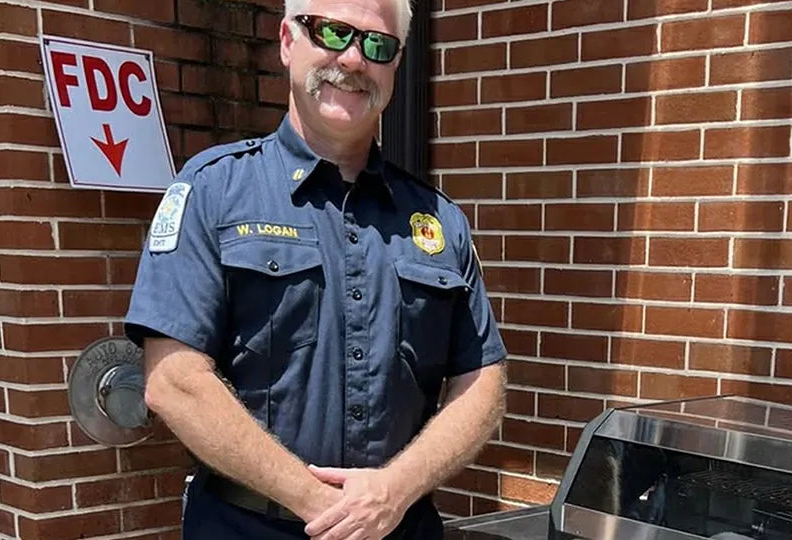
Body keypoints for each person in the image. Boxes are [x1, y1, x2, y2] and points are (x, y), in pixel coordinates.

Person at [122, 0, 508, 538]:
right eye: (331, 32)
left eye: (378, 45)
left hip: (400, 527)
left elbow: (483, 382)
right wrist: (323, 506)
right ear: (287, 41)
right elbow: (173, 380)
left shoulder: (437, 220)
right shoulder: (214, 191)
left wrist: (394, 491)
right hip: (247, 526)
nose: (353, 59)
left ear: (395, 65)